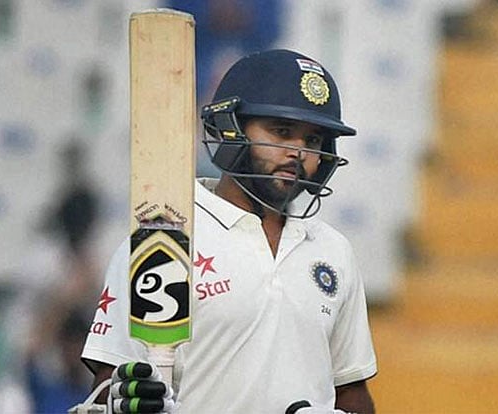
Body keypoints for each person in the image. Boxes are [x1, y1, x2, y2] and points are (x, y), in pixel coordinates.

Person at [80, 49, 377, 414]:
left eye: (313, 140)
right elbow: (112, 381)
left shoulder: (333, 251)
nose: (298, 152)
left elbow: (351, 389)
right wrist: (121, 403)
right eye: (281, 132)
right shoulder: (167, 237)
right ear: (230, 129)